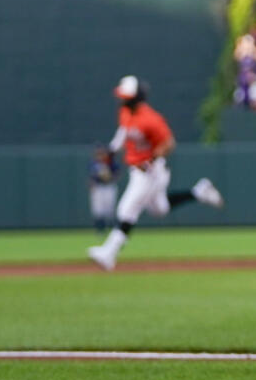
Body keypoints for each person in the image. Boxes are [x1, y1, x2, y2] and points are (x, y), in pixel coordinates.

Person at [87, 76, 225, 271]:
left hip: (151, 171)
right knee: (159, 209)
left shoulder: (151, 119)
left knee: (127, 209)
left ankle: (109, 253)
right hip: (138, 170)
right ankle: (199, 192)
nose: (122, 100)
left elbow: (169, 143)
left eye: (125, 97)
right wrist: (111, 150)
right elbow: (123, 132)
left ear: (135, 98)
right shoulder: (125, 112)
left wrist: (151, 159)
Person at [87, 145, 119, 232]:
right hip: (98, 187)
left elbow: (116, 174)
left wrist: (109, 177)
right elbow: (91, 177)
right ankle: (100, 229)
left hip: (109, 186)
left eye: (102, 153)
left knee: (110, 208)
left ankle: (114, 228)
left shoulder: (111, 163)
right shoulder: (93, 163)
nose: (100, 155)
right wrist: (92, 184)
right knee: (98, 209)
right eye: (99, 153)